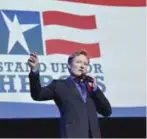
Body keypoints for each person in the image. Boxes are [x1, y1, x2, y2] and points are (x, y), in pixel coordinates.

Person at [28, 50, 112, 138]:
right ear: (69, 65)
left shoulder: (91, 89)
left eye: (85, 64)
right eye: (78, 62)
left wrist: (95, 89)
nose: (82, 66)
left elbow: (107, 111)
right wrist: (34, 71)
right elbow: (37, 95)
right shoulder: (59, 86)